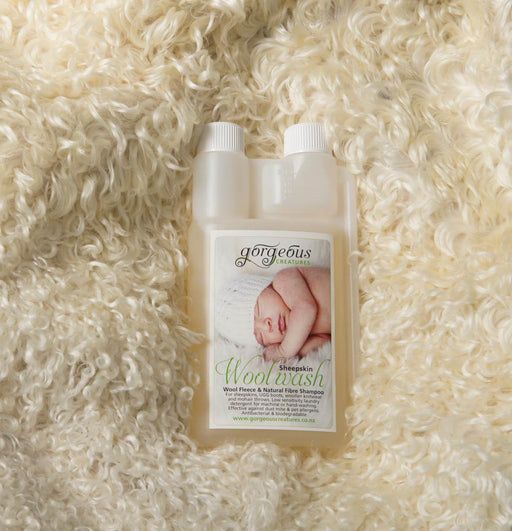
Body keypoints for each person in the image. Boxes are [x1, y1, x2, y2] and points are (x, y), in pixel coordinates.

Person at [215, 267, 331, 361]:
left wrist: (283, 352)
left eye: (258, 310)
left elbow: (305, 308)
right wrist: (297, 351)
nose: (267, 326)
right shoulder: (297, 335)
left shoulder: (283, 279)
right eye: (260, 336)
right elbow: (325, 341)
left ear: (265, 287)